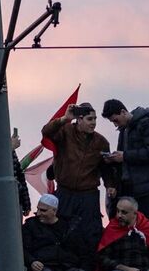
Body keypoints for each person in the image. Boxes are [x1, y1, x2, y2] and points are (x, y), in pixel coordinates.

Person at [41, 103, 114, 249]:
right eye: (89, 119)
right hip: (65, 193)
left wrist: (110, 185)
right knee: (61, 231)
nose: (93, 123)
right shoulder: (65, 131)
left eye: (95, 119)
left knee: (90, 235)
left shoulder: (101, 142)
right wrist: (64, 119)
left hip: (88, 195)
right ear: (79, 119)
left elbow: (105, 167)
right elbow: (46, 132)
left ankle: (88, 269)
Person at [102, 101, 149, 241]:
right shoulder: (124, 131)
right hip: (132, 191)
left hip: (148, 191)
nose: (115, 125)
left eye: (115, 120)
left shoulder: (146, 124)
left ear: (123, 112)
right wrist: (114, 159)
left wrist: (125, 156)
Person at [21, 195, 90, 271]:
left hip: (67, 268)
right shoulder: (30, 225)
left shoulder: (69, 227)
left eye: (43, 210)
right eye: (38, 209)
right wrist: (31, 261)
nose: (38, 213)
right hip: (43, 267)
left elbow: (83, 252)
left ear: (54, 211)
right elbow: (22, 249)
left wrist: (82, 268)